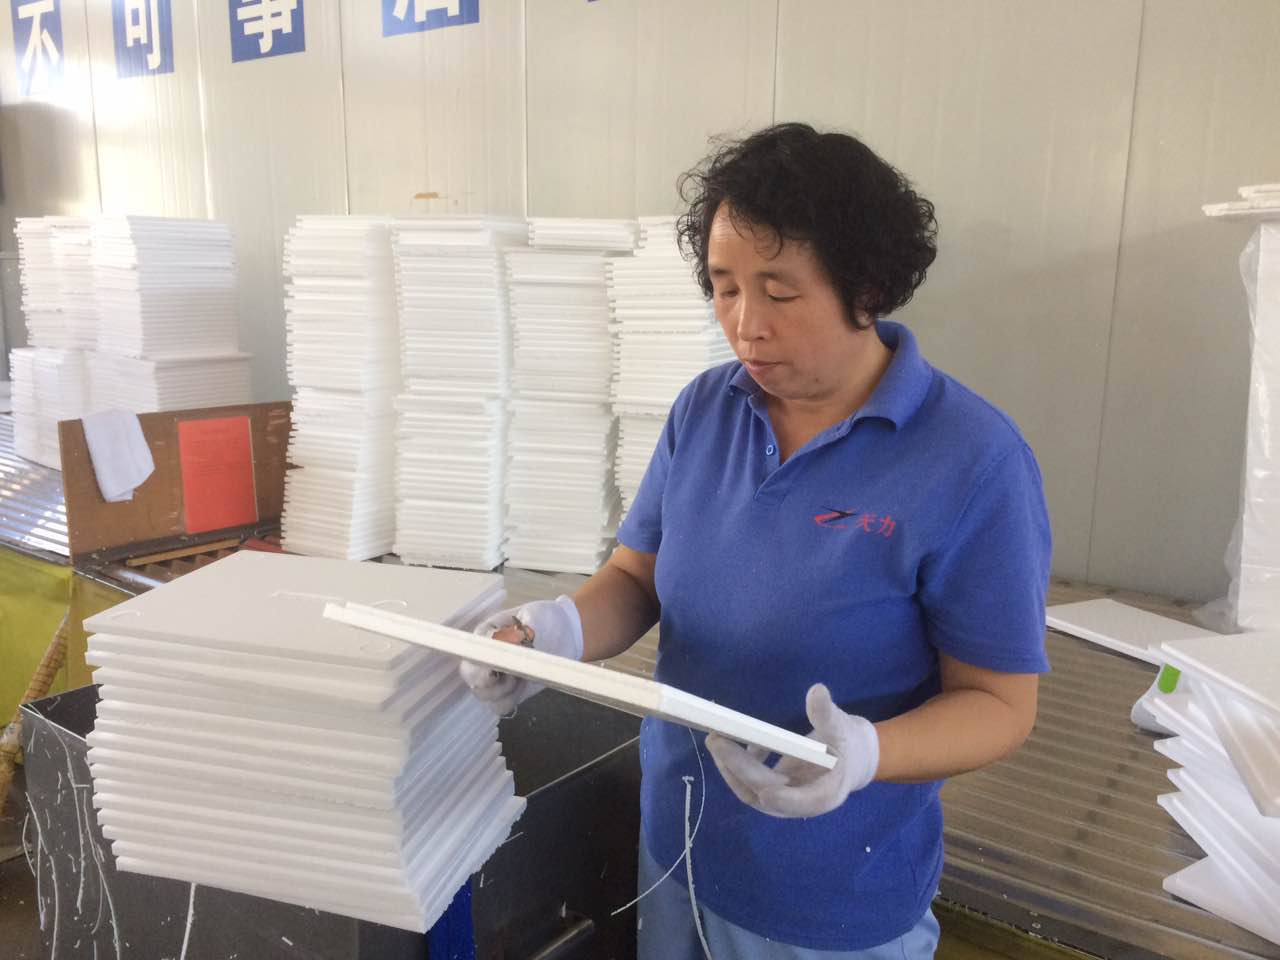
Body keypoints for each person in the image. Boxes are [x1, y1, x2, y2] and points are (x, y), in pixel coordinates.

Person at [462, 122, 1051, 959]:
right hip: (680, 851)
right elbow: (637, 578)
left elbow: (999, 706)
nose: (745, 325)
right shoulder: (707, 409)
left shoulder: (972, 460)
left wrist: (868, 753)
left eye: (779, 292)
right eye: (723, 286)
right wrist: (550, 633)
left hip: (836, 896)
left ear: (866, 286)